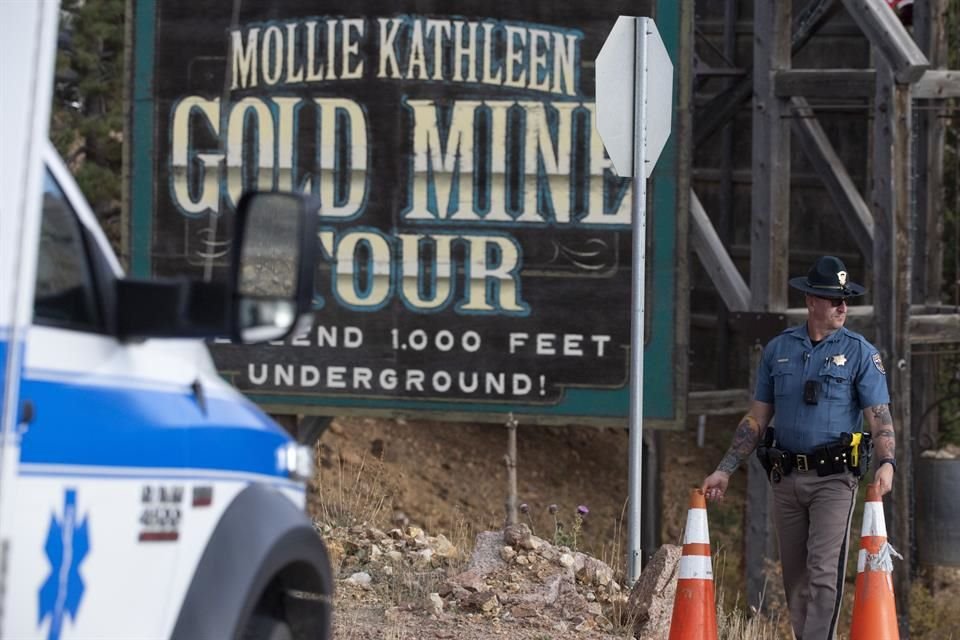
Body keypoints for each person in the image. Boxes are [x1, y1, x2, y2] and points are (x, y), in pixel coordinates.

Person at [701, 255, 897, 640]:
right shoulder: (778, 350)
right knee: (796, 576)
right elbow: (756, 418)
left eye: (846, 300)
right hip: (785, 478)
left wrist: (887, 461)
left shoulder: (860, 352)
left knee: (824, 572)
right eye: (833, 299)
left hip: (834, 480)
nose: (843, 307)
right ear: (811, 300)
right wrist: (725, 468)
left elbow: (879, 416)